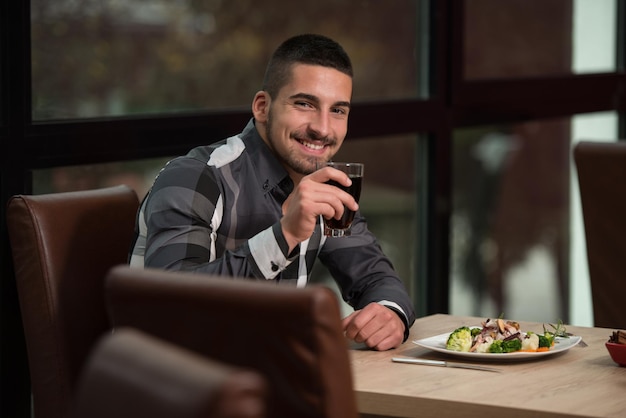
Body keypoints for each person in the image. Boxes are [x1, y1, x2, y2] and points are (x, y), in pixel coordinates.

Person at [130, 34, 416, 350]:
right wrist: (285, 235)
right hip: (169, 384)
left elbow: (375, 277)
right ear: (263, 107)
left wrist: (391, 313)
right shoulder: (197, 176)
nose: (322, 128)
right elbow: (172, 315)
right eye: (305, 104)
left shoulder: (324, 183)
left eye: (337, 110)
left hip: (267, 375)